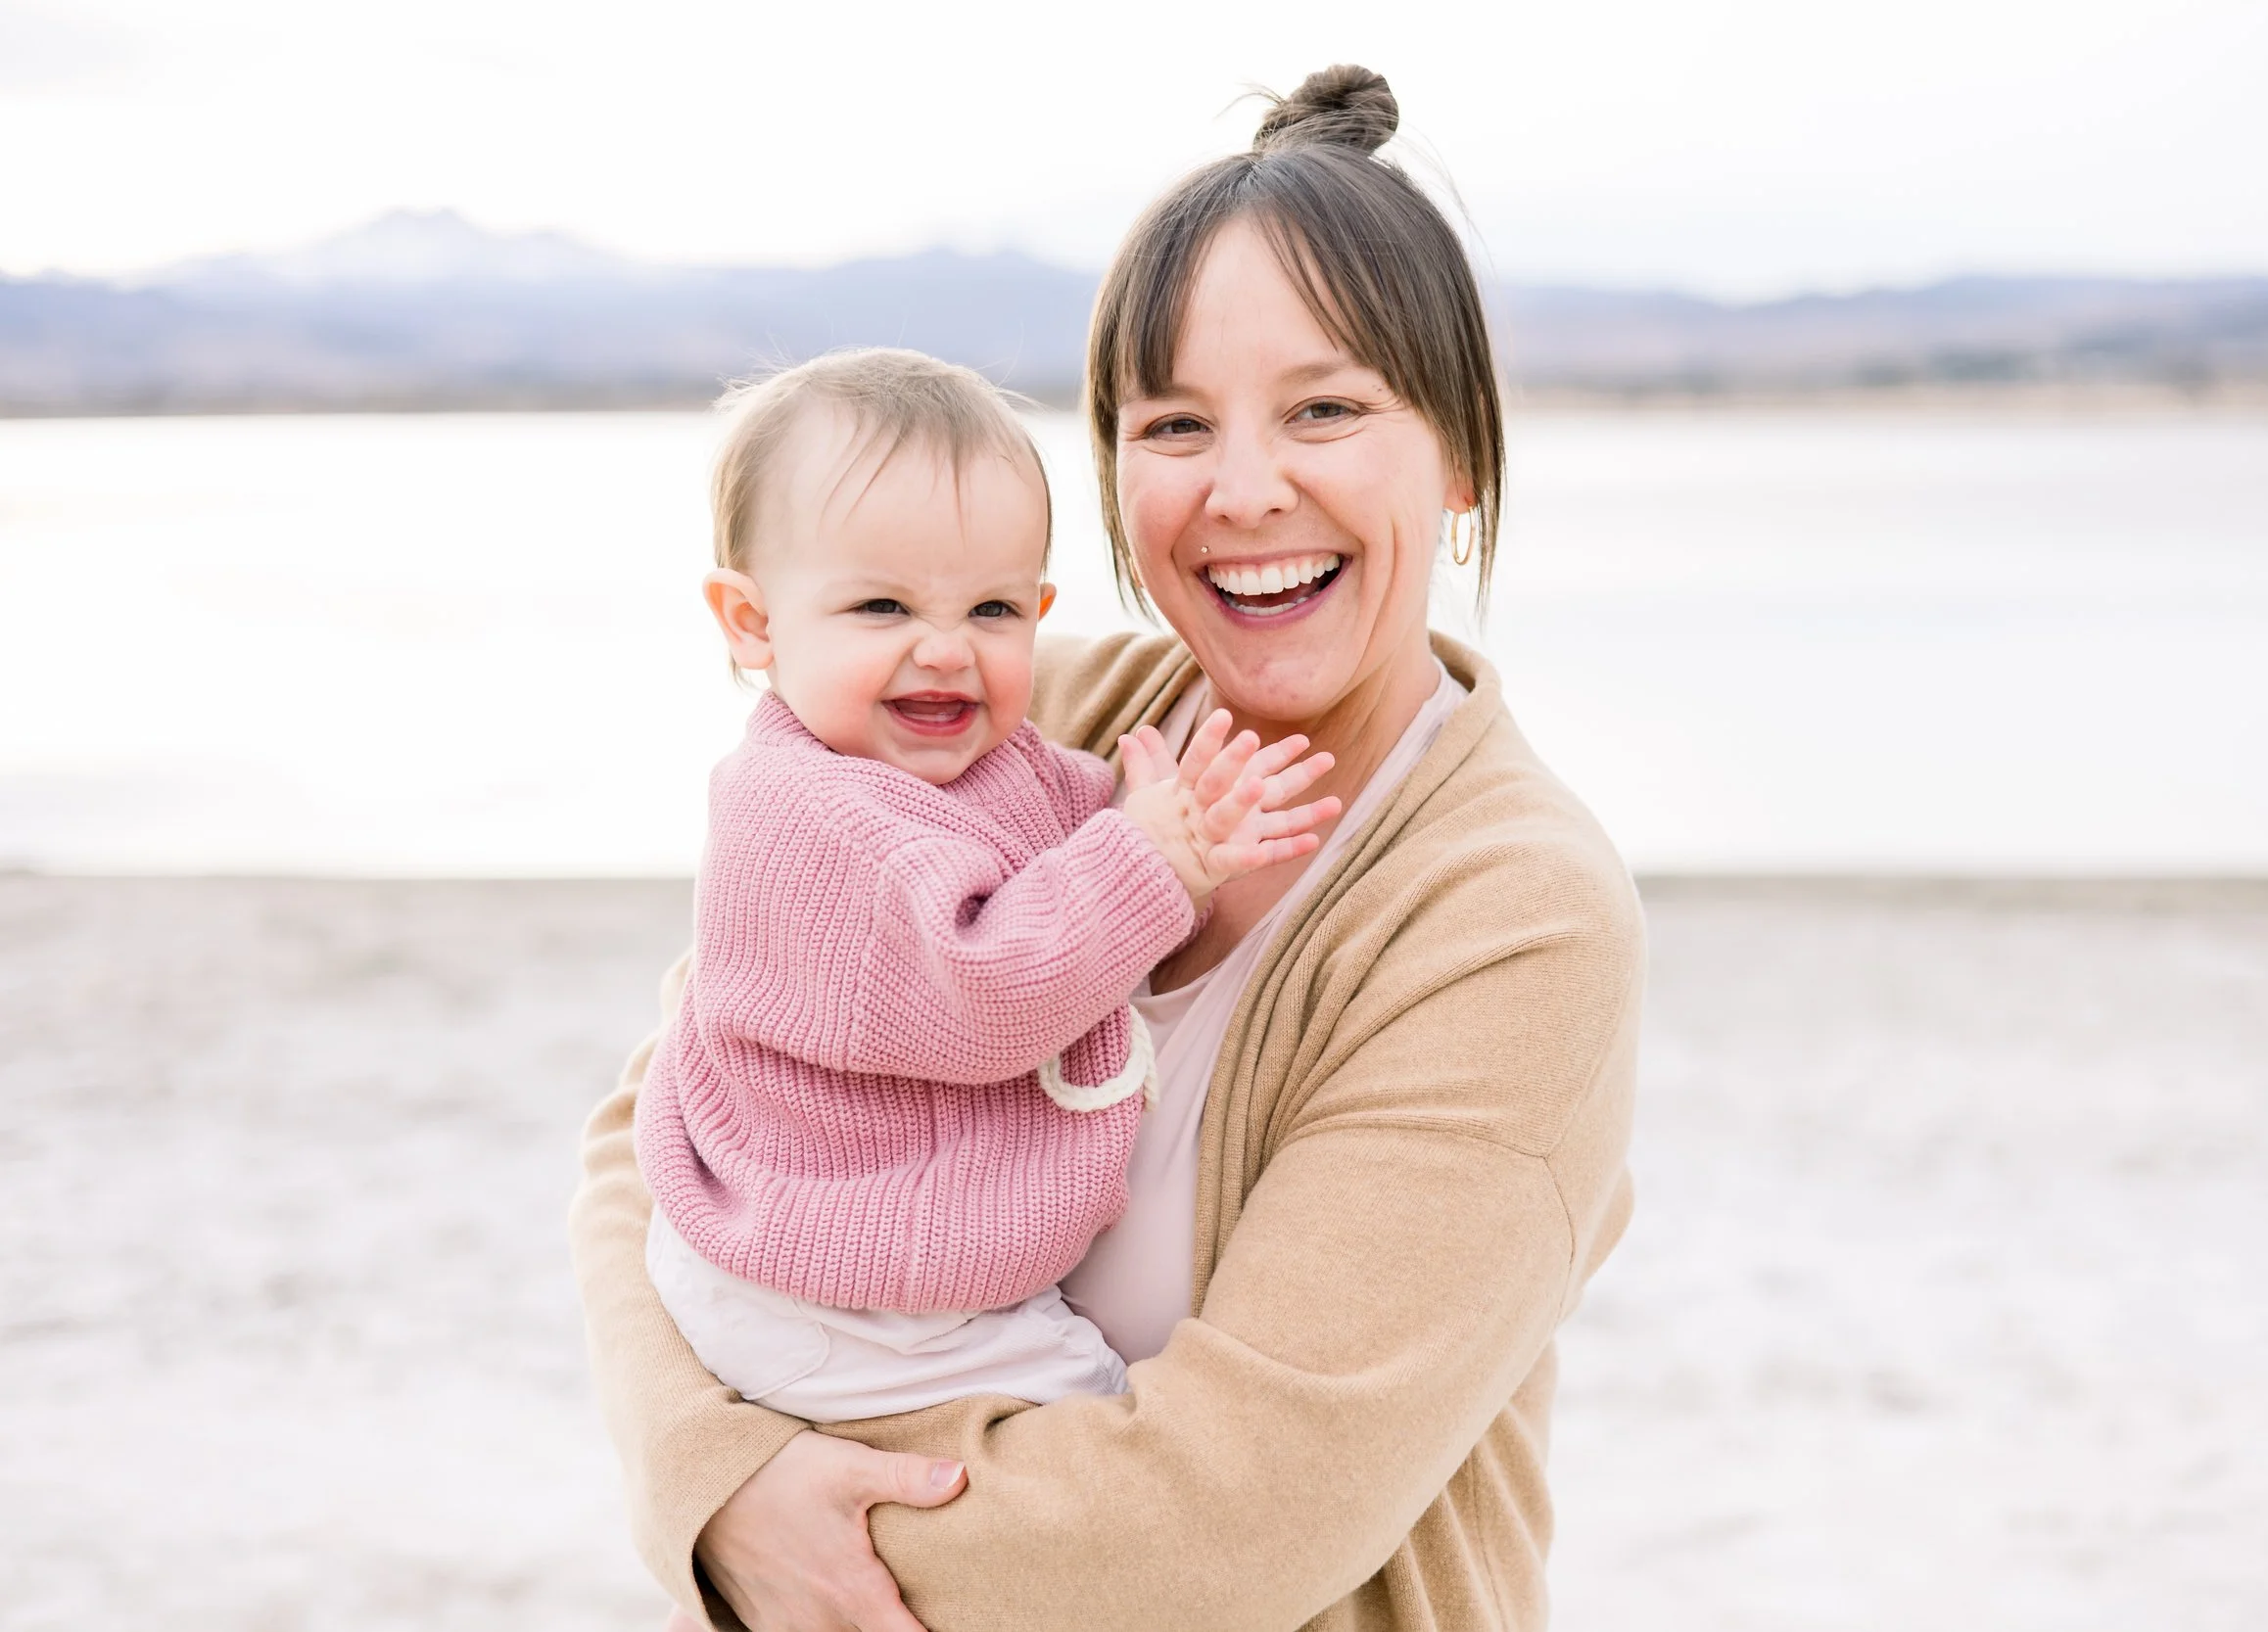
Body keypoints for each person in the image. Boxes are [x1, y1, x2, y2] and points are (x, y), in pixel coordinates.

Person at [573, 64, 1645, 1632]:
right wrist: (710, 1478)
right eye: (1175, 425)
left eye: (1328, 408)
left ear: (1461, 456)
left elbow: (1226, 1525)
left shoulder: (1512, 914)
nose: (1245, 488)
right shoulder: (1023, 722)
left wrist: (809, 1541)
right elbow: (657, 1120)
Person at [639, 347, 1341, 1443]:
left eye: (993, 609)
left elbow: (1085, 852)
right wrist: (1152, 857)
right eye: (879, 605)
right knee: (1104, 1429)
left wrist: (1163, 823)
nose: (944, 651)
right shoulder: (802, 810)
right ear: (752, 622)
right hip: (836, 1291)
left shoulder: (984, 760)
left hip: (882, 1280)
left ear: (1040, 610)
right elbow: (986, 986)